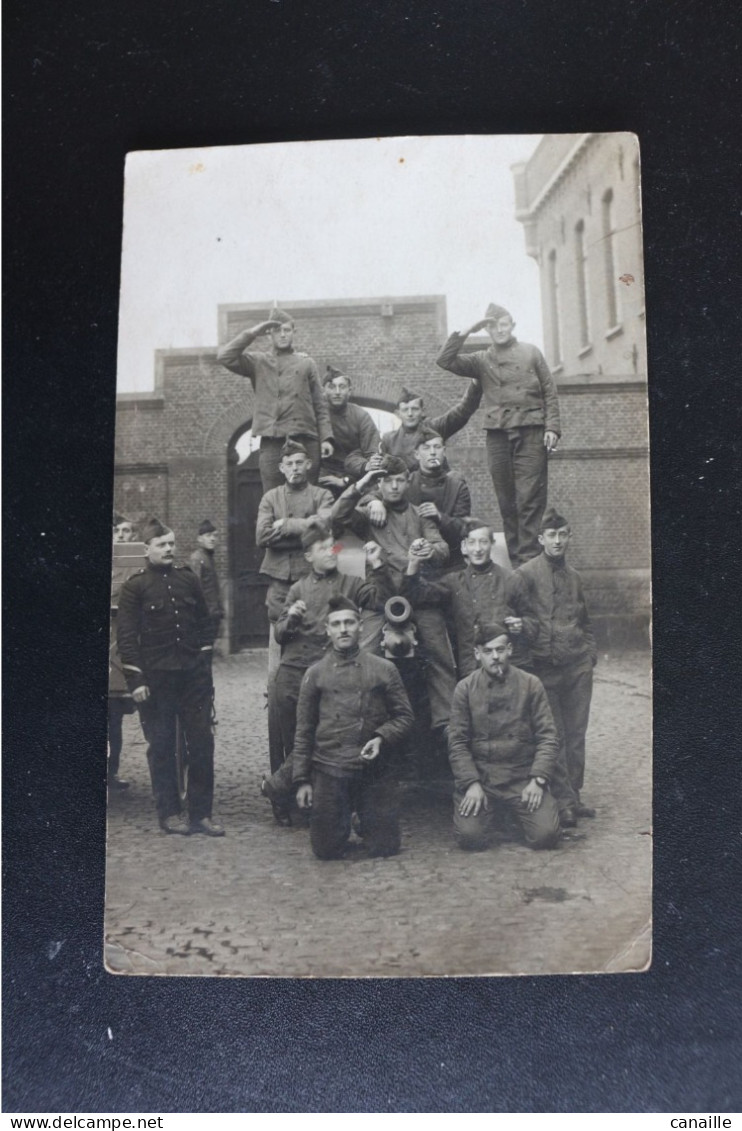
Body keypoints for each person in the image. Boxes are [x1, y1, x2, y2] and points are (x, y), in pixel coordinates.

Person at [331, 458, 456, 739]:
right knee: (364, 653)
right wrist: (362, 488)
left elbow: (442, 548)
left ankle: (446, 727)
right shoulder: (369, 513)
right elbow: (337, 517)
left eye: (400, 480)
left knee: (439, 654)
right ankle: (357, 724)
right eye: (388, 481)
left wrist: (428, 551)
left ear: (408, 480)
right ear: (380, 483)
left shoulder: (420, 515)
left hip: (418, 594)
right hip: (381, 596)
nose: (395, 486)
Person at [116, 517, 224, 836]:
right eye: (161, 545)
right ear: (146, 549)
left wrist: (203, 664)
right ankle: (169, 813)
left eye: (172, 544)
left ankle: (201, 815)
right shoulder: (135, 587)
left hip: (192, 678)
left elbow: (206, 624)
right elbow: (126, 638)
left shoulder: (188, 579)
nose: (168, 549)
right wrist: (137, 681)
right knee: (162, 746)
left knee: (202, 743)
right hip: (156, 681)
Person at [436, 303, 561, 567]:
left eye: (503, 324)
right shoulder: (482, 360)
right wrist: (468, 331)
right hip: (498, 437)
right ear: (487, 328)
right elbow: (444, 360)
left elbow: (549, 391)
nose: (499, 330)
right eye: (492, 325)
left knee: (529, 499)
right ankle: (518, 562)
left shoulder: (531, 353)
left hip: (531, 432)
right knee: (507, 502)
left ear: (512, 325)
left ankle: (527, 563)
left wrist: (551, 428)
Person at [292, 596, 414, 860]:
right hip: (330, 768)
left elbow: (405, 717)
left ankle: (367, 818)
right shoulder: (315, 674)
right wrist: (302, 781)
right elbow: (304, 730)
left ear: (361, 626)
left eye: (349, 622)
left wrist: (381, 738)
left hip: (373, 770)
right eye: (336, 624)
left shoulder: (384, 669)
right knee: (325, 850)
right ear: (328, 630)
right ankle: (342, 817)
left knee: (384, 847)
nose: (343, 629)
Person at [506, 509, 597, 825]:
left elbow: (585, 621)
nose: (558, 541)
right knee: (553, 735)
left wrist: (589, 657)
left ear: (569, 537)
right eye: (552, 535)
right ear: (541, 539)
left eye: (563, 535)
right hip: (543, 668)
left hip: (577, 667)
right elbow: (509, 615)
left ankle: (575, 794)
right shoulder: (525, 575)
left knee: (576, 734)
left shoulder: (575, 577)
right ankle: (562, 800)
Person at [448, 622, 561, 852]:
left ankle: (512, 815)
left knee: (546, 836)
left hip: (521, 778)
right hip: (483, 778)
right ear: (477, 654)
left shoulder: (531, 684)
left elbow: (548, 737)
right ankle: (498, 814)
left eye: (500, 650)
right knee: (470, 838)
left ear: (510, 649)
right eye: (488, 651)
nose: (495, 657)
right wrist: (471, 783)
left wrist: (537, 780)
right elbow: (457, 742)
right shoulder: (465, 689)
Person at [216, 307, 334, 491]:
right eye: (277, 330)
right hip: (272, 441)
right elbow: (225, 357)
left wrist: (326, 438)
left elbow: (320, 403)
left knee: (308, 496)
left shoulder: (306, 363)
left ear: (293, 333)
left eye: (287, 330)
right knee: (272, 497)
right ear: (269, 334)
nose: (283, 335)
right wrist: (253, 333)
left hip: (305, 439)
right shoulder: (258, 362)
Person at [402, 521, 528, 678]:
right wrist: (413, 562)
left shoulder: (511, 579)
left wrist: (521, 624)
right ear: (463, 547)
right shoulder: (454, 581)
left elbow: (532, 621)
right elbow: (415, 596)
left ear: (492, 544)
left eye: (483, 542)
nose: (477, 549)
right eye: (472, 542)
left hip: (508, 667)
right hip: (471, 669)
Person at [256, 440, 335, 635]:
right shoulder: (270, 498)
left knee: (315, 631)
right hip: (279, 582)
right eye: (289, 464)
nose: (295, 468)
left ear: (308, 464)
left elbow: (323, 529)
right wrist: (307, 524)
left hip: (312, 577)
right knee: (279, 635)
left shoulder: (322, 496)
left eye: (299, 463)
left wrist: (284, 525)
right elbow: (261, 536)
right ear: (281, 468)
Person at [368, 428, 472, 571]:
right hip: (415, 564)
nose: (433, 452)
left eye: (437, 447)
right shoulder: (406, 482)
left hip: (453, 564)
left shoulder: (457, 486)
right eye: (426, 448)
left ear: (444, 451)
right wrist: (374, 501)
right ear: (417, 454)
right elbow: (380, 492)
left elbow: (465, 528)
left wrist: (441, 517)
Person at [380, 382, 482, 471]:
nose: (410, 414)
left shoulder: (434, 428)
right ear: (398, 413)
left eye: (414, 409)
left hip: (436, 488)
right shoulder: (389, 440)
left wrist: (475, 385)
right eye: (405, 410)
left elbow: (461, 412)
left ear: (422, 411)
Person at [108, 513, 140, 790]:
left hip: (123, 641)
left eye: (127, 532)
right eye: (118, 531)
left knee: (114, 719)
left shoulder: (137, 565)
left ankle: (111, 772)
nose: (122, 536)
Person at [317, 366, 382, 495]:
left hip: (355, 476)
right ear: (323, 390)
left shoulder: (361, 416)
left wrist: (347, 480)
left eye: (342, 387)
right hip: (322, 477)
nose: (337, 392)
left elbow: (371, 455)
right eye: (331, 387)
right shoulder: (315, 416)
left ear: (349, 391)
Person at [188, 520, 224, 651]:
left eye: (215, 535)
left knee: (208, 650)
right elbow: (195, 588)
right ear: (199, 539)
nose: (213, 539)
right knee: (203, 651)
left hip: (212, 613)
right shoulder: (197, 558)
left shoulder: (209, 558)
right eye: (208, 536)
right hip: (204, 615)